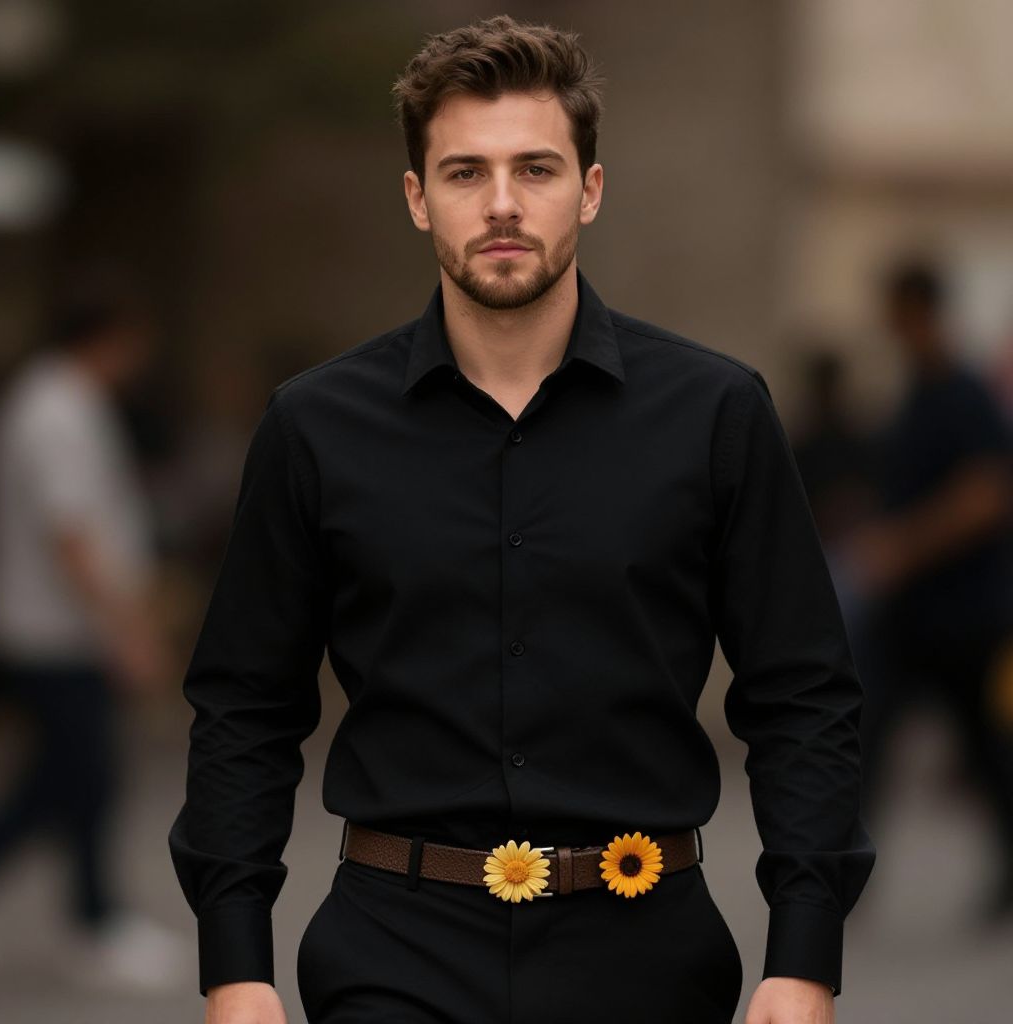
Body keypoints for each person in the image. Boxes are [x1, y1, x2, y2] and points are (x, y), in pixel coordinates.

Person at [168, 14, 875, 1024]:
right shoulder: (315, 426)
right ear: (417, 198)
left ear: (589, 188)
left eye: (535, 169)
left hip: (646, 956)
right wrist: (233, 967)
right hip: (390, 955)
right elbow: (244, 706)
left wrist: (804, 955)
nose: (501, 204)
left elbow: (804, 695)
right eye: (464, 173)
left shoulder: (716, 414)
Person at [0, 283, 187, 991]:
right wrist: (127, 630)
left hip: (57, 629)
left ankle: (96, 918)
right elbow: (71, 533)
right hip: (56, 633)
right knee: (74, 779)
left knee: (70, 780)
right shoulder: (56, 412)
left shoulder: (59, 401)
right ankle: (97, 921)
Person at [843, 258, 1013, 923]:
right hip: (912, 617)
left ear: (915, 309)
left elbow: (984, 496)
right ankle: (839, 877)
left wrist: (902, 546)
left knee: (985, 752)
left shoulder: (961, 391)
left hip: (963, 616)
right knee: (864, 740)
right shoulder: (917, 391)